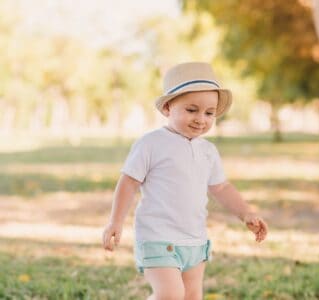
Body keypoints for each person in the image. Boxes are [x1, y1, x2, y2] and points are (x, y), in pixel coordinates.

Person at [102, 62, 268, 300]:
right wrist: (115, 222)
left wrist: (246, 213)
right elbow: (128, 182)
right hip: (157, 237)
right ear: (168, 107)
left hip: (194, 240)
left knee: (191, 296)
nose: (201, 119)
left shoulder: (208, 150)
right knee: (170, 295)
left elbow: (221, 187)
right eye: (191, 110)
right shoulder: (151, 143)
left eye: (209, 113)